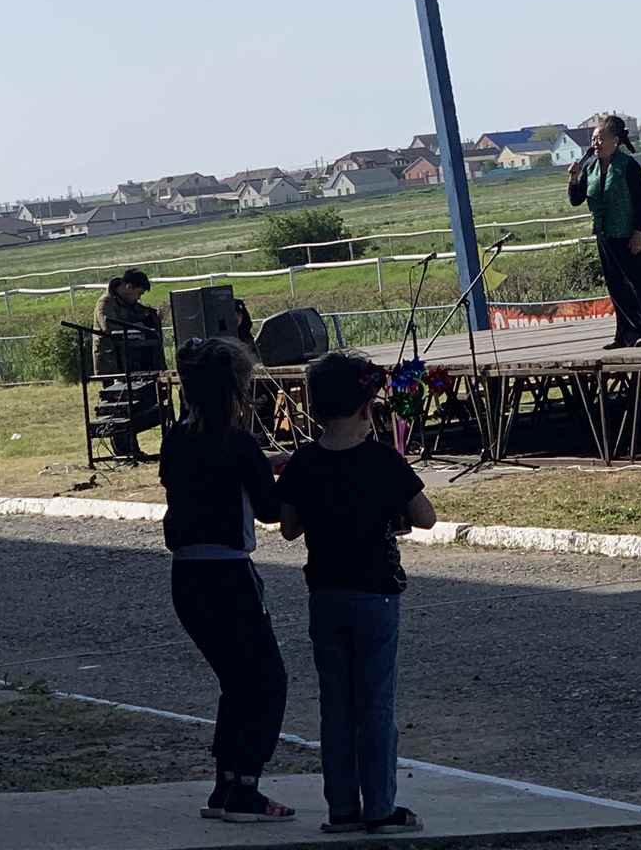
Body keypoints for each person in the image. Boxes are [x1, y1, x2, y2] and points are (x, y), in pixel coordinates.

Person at [278, 352, 436, 837]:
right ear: (367, 406)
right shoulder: (382, 460)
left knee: (336, 705)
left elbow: (288, 527)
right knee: (376, 704)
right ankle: (380, 807)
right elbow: (426, 517)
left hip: (325, 594)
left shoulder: (304, 461)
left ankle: (342, 807)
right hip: (375, 595)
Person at [159, 337, 294, 824]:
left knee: (236, 681)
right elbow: (270, 510)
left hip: (187, 575)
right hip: (229, 573)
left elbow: (208, 477)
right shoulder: (239, 443)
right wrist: (289, 474)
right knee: (267, 681)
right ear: (235, 389)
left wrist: (260, 465)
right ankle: (246, 787)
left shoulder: (176, 439)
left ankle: (227, 784)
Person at [567, 116, 641, 349]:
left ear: (616, 140)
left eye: (601, 139)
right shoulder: (590, 167)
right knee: (617, 286)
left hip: (629, 234)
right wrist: (573, 177)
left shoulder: (628, 166)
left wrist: (639, 232)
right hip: (605, 234)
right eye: (594, 139)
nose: (596, 143)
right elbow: (576, 199)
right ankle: (627, 334)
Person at [95, 268, 165, 455]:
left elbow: (144, 315)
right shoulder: (106, 302)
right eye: (138, 293)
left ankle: (133, 449)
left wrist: (151, 317)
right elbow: (109, 326)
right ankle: (124, 451)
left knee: (134, 407)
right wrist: (137, 327)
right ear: (128, 287)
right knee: (118, 408)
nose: (138, 298)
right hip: (111, 364)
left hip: (130, 362)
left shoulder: (128, 303)